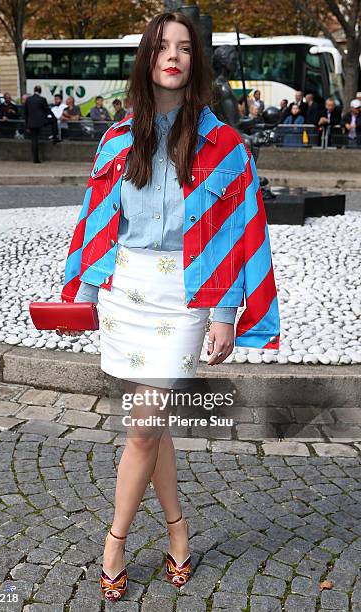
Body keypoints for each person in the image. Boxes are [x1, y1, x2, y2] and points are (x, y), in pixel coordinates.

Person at [61, 11, 280, 601]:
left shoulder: (225, 144)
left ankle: (115, 541)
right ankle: (179, 532)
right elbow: (97, 219)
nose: (174, 56)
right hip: (127, 294)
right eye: (163, 46)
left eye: (185, 47)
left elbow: (239, 231)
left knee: (141, 428)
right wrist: (82, 295)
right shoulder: (116, 138)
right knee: (150, 427)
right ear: (147, 58)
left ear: (196, 60)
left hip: (187, 298)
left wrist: (225, 312)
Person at [24, 85, 56, 163]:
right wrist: (53, 117)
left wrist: (27, 124)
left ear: (34, 90)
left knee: (34, 140)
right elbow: (47, 110)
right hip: (40, 122)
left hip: (31, 123)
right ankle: (55, 135)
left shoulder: (28, 99)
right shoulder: (42, 99)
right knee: (53, 121)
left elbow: (25, 113)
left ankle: (35, 158)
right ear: (40, 91)